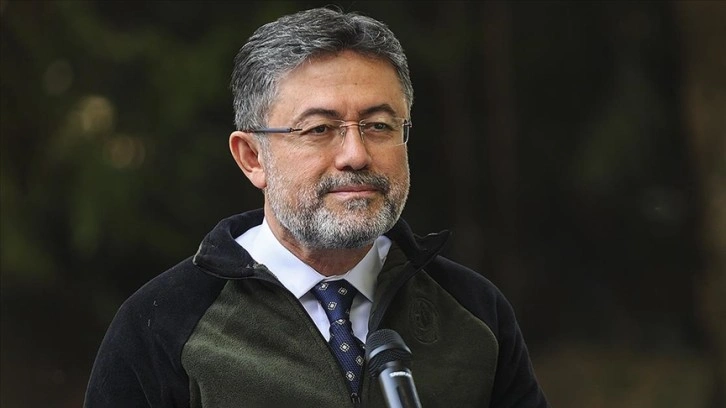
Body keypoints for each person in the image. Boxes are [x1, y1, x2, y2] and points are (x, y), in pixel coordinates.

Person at [84, 6, 549, 408]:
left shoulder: (473, 311)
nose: (356, 155)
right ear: (252, 158)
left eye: (379, 125)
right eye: (320, 129)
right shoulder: (163, 322)